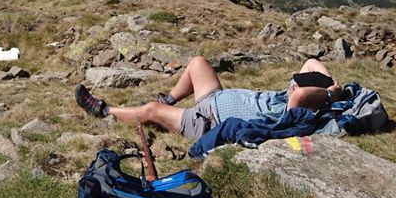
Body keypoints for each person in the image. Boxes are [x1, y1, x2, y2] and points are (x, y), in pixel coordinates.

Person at [75, 56, 343, 140]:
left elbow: (305, 93)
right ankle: (170, 98)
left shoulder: (293, 112)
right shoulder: (287, 96)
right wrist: (333, 84)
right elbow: (311, 62)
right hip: (216, 97)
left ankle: (103, 110)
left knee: (150, 110)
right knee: (198, 62)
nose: (293, 84)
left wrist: (328, 94)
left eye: (295, 88)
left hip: (205, 120)